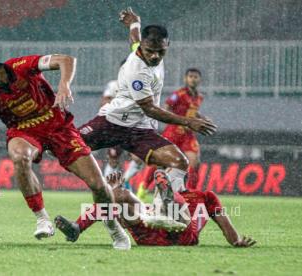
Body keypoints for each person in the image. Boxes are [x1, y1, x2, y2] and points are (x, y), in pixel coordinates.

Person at [0, 48, 132, 249]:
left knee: (99, 186)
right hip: (24, 132)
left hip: (59, 128)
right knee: (19, 156)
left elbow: (65, 60)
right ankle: (42, 219)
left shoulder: (20, 67)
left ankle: (113, 226)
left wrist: (64, 85)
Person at [79, 8, 217, 209]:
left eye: (160, 51)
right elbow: (150, 109)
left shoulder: (147, 49)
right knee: (67, 147)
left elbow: (134, 39)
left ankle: (165, 211)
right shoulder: (137, 70)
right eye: (149, 51)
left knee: (180, 163)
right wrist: (189, 121)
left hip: (140, 130)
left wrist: (135, 23)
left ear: (166, 45)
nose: (154, 56)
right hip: (111, 122)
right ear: (143, 47)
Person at [55, 172, 257, 248]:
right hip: (150, 228)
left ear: (184, 175)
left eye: (172, 171)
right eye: (168, 172)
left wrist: (236, 241)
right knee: (120, 196)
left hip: (183, 232)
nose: (172, 172)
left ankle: (167, 208)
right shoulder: (157, 200)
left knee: (175, 208)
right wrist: (114, 192)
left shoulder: (205, 197)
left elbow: (225, 225)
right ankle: (76, 228)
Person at [137, 68, 208, 200]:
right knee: (160, 161)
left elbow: (191, 111)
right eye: (191, 76)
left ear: (199, 80)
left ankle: (191, 195)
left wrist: (202, 118)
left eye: (196, 77)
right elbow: (166, 107)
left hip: (187, 134)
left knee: (195, 162)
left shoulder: (199, 97)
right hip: (173, 132)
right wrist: (173, 119)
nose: (193, 79)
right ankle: (144, 187)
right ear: (185, 79)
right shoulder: (178, 94)